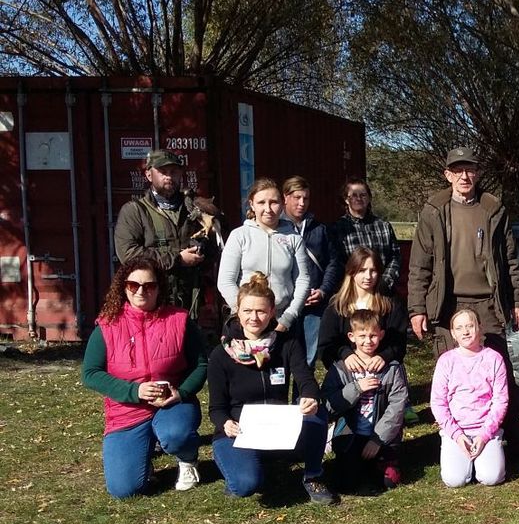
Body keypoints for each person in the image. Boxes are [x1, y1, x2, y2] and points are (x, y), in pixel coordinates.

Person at [81, 256, 208, 498]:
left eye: (149, 285)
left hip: (172, 404)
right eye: (133, 285)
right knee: (124, 490)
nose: (141, 291)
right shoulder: (107, 326)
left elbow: (201, 364)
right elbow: (90, 374)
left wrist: (181, 393)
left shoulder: (179, 321)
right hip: (127, 410)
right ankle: (142, 457)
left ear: (159, 288)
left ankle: (188, 459)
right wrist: (134, 391)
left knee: (175, 435)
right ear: (124, 287)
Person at [207, 273, 337, 505]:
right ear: (238, 311)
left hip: (277, 427)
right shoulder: (221, 354)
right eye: (247, 311)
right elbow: (216, 408)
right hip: (238, 431)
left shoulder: (286, 345)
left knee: (316, 414)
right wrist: (225, 423)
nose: (254, 318)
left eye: (261, 311)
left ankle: (313, 476)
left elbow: (306, 379)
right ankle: (237, 468)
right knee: (246, 485)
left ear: (272, 313)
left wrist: (309, 397)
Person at [407, 147, 519, 359]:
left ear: (477, 173)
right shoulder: (434, 211)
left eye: (469, 170)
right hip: (447, 303)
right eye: (458, 170)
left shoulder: (494, 209)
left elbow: (510, 260)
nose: (464, 176)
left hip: (488, 304)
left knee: (495, 366)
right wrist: (417, 309)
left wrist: (517, 302)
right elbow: (419, 265)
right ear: (448, 175)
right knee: (452, 371)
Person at [113, 149, 220, 318]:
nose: (169, 176)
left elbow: (217, 248)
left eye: (174, 172)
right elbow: (129, 254)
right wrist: (178, 259)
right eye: (162, 172)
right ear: (149, 175)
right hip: (150, 299)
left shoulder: (195, 208)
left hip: (189, 298)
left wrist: (202, 251)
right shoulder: (135, 211)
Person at [322, 309, 409, 493]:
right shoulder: (340, 369)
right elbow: (329, 405)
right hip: (350, 434)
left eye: (373, 336)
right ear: (351, 336)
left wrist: (377, 440)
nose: (368, 341)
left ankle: (383, 463)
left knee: (389, 481)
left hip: (381, 436)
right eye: (362, 336)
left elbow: (397, 407)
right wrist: (356, 388)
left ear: (382, 335)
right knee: (346, 484)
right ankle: (354, 467)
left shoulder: (392, 368)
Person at [217, 178, 311, 333]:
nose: (268, 209)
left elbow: (303, 281)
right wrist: (243, 313)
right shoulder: (239, 236)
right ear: (252, 204)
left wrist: (288, 317)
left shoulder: (293, 238)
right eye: (261, 203)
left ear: (282, 204)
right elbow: (225, 281)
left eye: (274, 202)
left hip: (282, 322)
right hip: (246, 323)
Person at [430, 309, 509, 488]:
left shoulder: (494, 358)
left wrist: (484, 435)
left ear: (479, 328)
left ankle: (488, 455)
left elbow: (500, 400)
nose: (465, 331)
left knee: (492, 478)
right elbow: (438, 402)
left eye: (469, 326)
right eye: (459, 328)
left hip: (486, 430)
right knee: (454, 480)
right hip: (457, 431)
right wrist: (457, 435)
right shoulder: (446, 361)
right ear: (453, 334)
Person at [280, 175, 343, 367]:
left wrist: (323, 290)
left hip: (313, 305)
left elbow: (333, 263)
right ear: (285, 197)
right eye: (297, 197)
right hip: (284, 303)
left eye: (306, 198)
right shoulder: (276, 228)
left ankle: (303, 397)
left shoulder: (320, 229)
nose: (301, 203)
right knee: (281, 358)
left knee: (307, 358)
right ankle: (282, 398)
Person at [317, 247, 409, 374]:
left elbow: (399, 343)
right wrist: (345, 354)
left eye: (373, 271)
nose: (368, 276)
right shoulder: (337, 306)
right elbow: (326, 345)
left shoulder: (391, 304)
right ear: (352, 272)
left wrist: (384, 356)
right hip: (348, 376)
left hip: (383, 373)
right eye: (362, 271)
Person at [332, 178, 400, 294]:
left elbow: (395, 257)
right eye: (353, 195)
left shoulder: (384, 226)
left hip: (383, 291)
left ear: (369, 198)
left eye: (363, 195)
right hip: (350, 293)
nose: (358, 198)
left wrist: (384, 283)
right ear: (346, 200)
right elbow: (336, 263)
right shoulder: (337, 229)